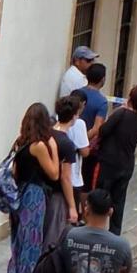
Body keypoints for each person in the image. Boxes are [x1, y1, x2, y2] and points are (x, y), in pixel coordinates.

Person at [4, 103, 59, 273]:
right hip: (34, 196)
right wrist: (53, 147)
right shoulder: (40, 146)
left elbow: (16, 172)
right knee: (31, 245)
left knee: (17, 245)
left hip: (18, 195)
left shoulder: (21, 142)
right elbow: (54, 173)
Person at [94, 85, 137, 236]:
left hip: (109, 162)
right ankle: (114, 232)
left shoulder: (121, 115)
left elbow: (103, 131)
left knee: (101, 195)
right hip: (126, 165)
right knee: (119, 200)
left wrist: (117, 112)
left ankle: (96, 227)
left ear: (130, 99)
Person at [46, 97, 81, 249]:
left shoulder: (47, 134)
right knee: (52, 237)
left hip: (42, 191)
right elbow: (66, 178)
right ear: (74, 116)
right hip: (56, 196)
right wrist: (72, 206)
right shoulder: (67, 144)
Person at [56, 93, 91, 213]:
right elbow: (85, 151)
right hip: (72, 179)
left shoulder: (51, 130)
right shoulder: (69, 143)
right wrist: (72, 207)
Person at [79, 63, 109, 190]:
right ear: (102, 79)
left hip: (71, 142)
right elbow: (97, 128)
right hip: (89, 148)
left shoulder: (77, 93)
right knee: (86, 182)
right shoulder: (101, 101)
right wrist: (83, 141)